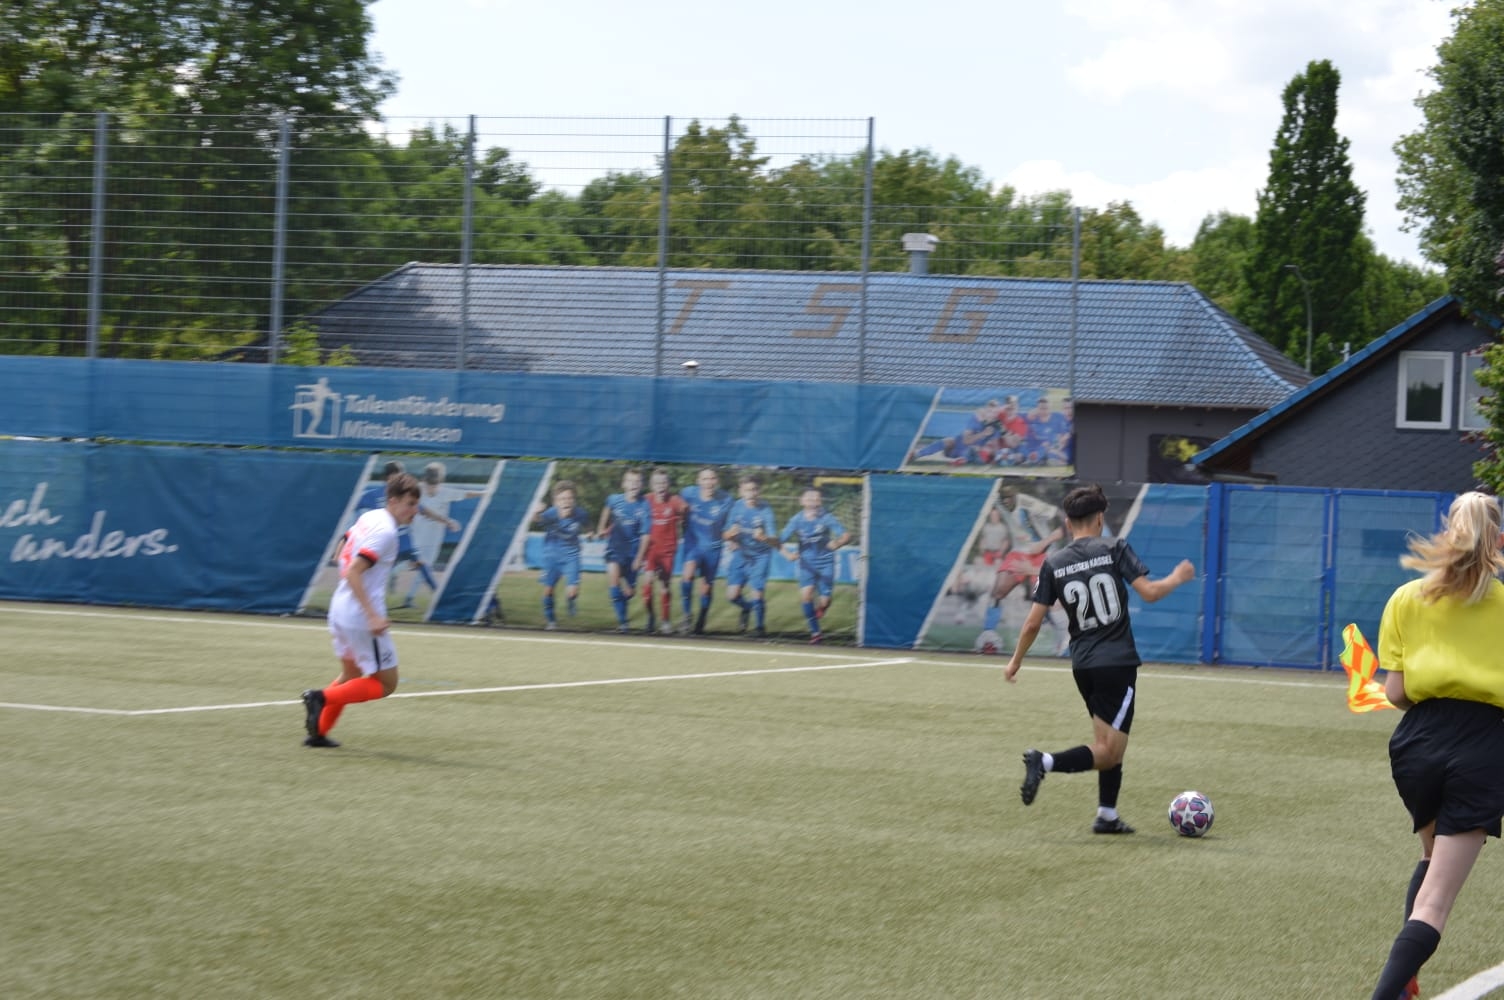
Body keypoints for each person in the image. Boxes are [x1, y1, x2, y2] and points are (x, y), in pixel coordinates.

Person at [1367, 491, 1504, 1000]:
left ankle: (1406, 986)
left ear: (1449, 533)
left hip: (1417, 742)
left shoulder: (1406, 598)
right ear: (1498, 541)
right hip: (1484, 743)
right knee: (1436, 904)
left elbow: (1396, 693)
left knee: (1431, 859)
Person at [1004, 483, 1196, 834]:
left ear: (1067, 522)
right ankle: (1045, 761)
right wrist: (1177, 578)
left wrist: (1016, 660)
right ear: (1099, 519)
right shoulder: (1114, 547)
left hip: (1083, 665)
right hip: (1116, 662)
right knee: (1108, 751)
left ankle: (1107, 815)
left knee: (1107, 741)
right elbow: (1150, 593)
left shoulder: (1054, 562)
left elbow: (1032, 623)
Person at [301, 471, 423, 748]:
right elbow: (354, 571)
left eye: (416, 504)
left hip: (340, 608)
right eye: (410, 504)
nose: (414, 510)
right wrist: (372, 614)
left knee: (351, 674)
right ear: (393, 501)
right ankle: (320, 698)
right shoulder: (387, 532)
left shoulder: (371, 517)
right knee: (386, 684)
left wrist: (343, 561)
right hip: (359, 615)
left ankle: (318, 733)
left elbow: (344, 544)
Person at [975, 486, 1069, 656]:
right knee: (998, 591)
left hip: (1044, 553)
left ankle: (1065, 640)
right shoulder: (996, 500)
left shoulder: (1029, 504)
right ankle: (989, 635)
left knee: (1046, 601)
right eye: (1003, 499)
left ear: (1016, 497)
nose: (1005, 502)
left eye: (1009, 499)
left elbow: (1064, 518)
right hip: (1019, 552)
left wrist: (1045, 542)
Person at [402, 461, 483, 609]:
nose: (432, 487)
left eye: (435, 482)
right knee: (403, 564)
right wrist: (448, 521)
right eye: (431, 481)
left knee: (425, 567)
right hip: (415, 537)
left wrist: (485, 493)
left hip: (433, 539)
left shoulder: (444, 492)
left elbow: (466, 494)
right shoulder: (416, 491)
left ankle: (409, 598)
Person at [780, 486, 851, 644]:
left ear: (820, 501)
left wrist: (837, 543)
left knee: (825, 601)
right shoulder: (796, 520)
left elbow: (846, 535)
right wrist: (787, 554)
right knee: (806, 595)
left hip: (826, 562)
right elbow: (779, 540)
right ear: (802, 501)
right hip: (806, 563)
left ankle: (821, 609)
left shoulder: (827, 518)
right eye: (809, 498)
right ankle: (815, 632)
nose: (813, 501)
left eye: (816, 498)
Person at [679, 467, 733, 634]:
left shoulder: (726, 500)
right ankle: (687, 615)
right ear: (698, 481)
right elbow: (678, 509)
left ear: (716, 481)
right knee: (687, 575)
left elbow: (731, 524)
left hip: (713, 548)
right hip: (693, 544)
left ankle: (701, 620)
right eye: (705, 479)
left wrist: (733, 537)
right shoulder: (688, 493)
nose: (708, 483)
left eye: (712, 479)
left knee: (706, 587)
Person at [723, 474, 778, 638]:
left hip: (760, 556)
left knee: (757, 592)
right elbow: (725, 534)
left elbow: (774, 539)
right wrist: (730, 536)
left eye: (754, 490)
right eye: (747, 490)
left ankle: (760, 628)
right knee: (732, 596)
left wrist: (764, 537)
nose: (751, 493)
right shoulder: (736, 507)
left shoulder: (766, 510)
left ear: (759, 491)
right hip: (741, 554)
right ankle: (747, 608)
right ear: (741, 491)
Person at [597, 468, 650, 634]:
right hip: (615, 548)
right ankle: (623, 623)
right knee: (614, 581)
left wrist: (639, 557)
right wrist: (601, 527)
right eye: (630, 481)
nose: (634, 485)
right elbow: (607, 508)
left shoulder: (644, 505)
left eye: (637, 482)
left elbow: (646, 535)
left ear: (641, 485)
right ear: (624, 484)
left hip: (633, 552)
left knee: (629, 592)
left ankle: (623, 611)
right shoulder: (615, 499)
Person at [534, 480, 590, 631]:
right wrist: (536, 512)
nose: (566, 502)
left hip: (571, 556)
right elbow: (537, 519)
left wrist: (590, 533)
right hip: (551, 556)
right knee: (548, 590)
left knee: (573, 592)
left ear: (574, 500)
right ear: (555, 501)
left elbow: (587, 524)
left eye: (569, 498)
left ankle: (570, 599)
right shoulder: (551, 514)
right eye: (562, 499)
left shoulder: (580, 513)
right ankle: (551, 621)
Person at [639, 467, 689, 635]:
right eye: (657, 483)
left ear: (668, 484)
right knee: (647, 585)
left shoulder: (674, 500)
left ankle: (665, 620)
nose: (660, 486)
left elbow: (685, 509)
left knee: (665, 586)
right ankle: (650, 617)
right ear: (651, 485)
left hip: (667, 551)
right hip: (650, 550)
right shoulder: (646, 500)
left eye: (663, 482)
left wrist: (685, 516)